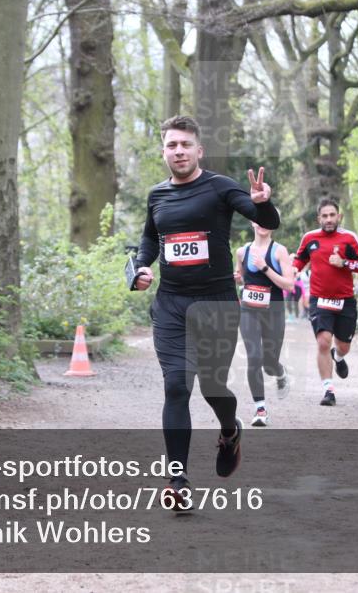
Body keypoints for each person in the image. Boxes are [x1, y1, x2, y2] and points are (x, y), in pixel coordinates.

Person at [131, 115, 280, 510]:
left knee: (213, 388)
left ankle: (230, 431)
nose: (178, 151)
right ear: (163, 151)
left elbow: (265, 219)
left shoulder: (220, 187)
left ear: (199, 150)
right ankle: (177, 480)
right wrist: (141, 267)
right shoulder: (157, 196)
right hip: (172, 305)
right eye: (171, 145)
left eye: (185, 144)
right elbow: (150, 239)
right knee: (177, 385)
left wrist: (263, 203)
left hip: (215, 303)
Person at [292, 198, 358, 406]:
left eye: (332, 215)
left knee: (343, 346)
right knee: (323, 341)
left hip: (345, 301)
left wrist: (343, 263)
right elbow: (300, 259)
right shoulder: (310, 238)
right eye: (324, 216)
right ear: (319, 218)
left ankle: (339, 357)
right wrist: (294, 269)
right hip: (320, 299)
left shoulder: (349, 238)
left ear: (339, 216)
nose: (328, 219)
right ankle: (328, 390)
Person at [233, 222, 294, 427]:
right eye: (259, 219)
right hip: (249, 310)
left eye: (267, 220)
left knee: (269, 363)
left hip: (274, 312)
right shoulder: (242, 252)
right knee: (254, 357)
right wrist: (237, 278)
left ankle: (280, 372)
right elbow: (242, 277)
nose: (262, 224)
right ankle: (260, 409)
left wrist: (265, 268)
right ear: (251, 222)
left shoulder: (279, 251)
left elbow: (289, 284)